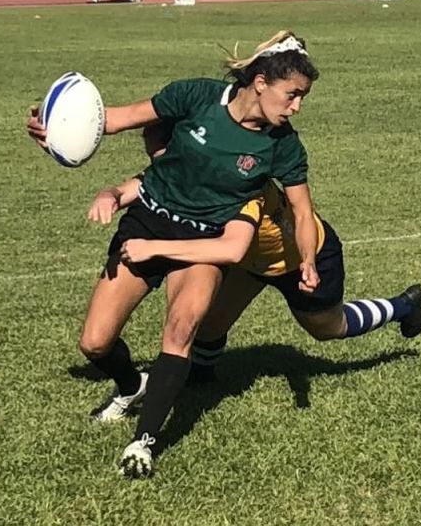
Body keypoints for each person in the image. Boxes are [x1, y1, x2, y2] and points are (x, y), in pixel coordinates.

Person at [27, 31, 321, 478]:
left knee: (181, 329)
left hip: (203, 245)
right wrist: (56, 128)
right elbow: (115, 119)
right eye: (293, 94)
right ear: (260, 82)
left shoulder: (283, 145)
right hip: (147, 222)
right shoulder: (196, 95)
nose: (297, 106)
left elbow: (302, 211)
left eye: (302, 98)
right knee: (94, 342)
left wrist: (309, 261)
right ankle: (132, 385)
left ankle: (142, 443)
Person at [87, 125, 421, 385]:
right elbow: (149, 186)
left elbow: (231, 246)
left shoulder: (233, 180)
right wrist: (111, 193)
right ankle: (199, 381)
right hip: (251, 264)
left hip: (300, 260)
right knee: (208, 327)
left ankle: (404, 306)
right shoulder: (187, 179)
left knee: (328, 328)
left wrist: (153, 249)